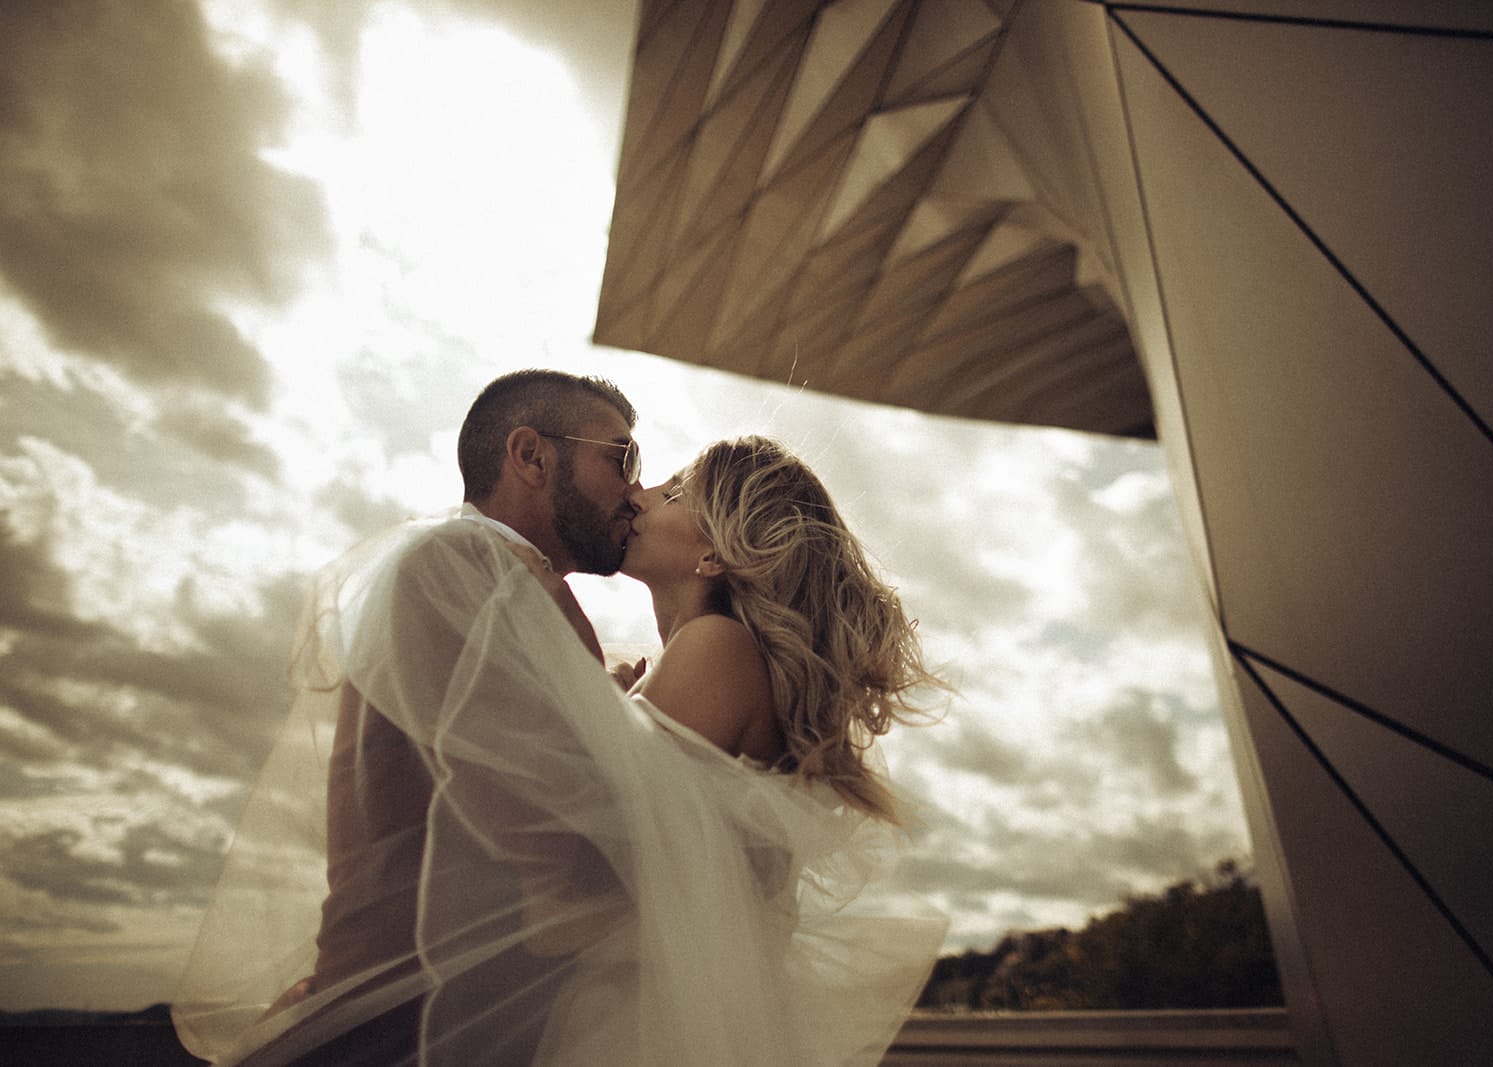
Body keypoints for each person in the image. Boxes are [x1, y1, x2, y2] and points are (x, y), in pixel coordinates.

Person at [175, 374, 944, 1065]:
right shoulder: (460, 571)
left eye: (666, 486)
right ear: (532, 457)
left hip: (504, 1020)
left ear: (716, 553)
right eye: (623, 460)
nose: (637, 492)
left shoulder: (666, 639)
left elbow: (581, 870)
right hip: (398, 1015)